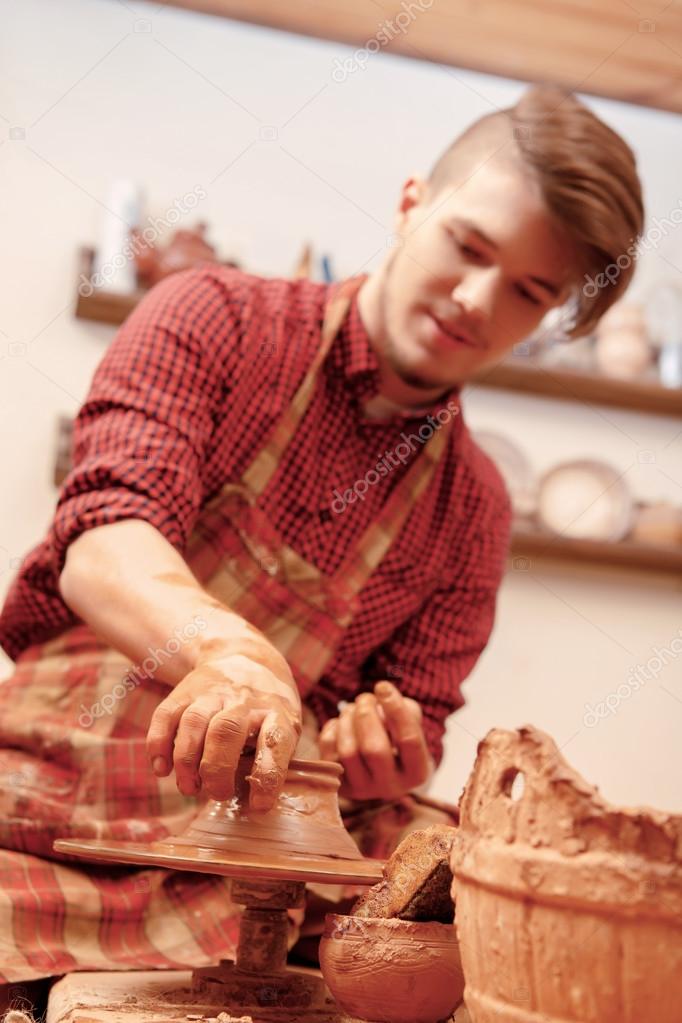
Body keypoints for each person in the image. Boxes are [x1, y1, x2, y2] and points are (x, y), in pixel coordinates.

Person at [0, 83, 643, 994]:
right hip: (70, 784)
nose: (473, 299)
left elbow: (410, 729)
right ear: (413, 201)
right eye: (468, 246)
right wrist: (228, 653)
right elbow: (104, 539)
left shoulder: (475, 505)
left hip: (252, 861)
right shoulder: (212, 317)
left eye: (529, 291)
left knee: (485, 907)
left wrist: (392, 755)